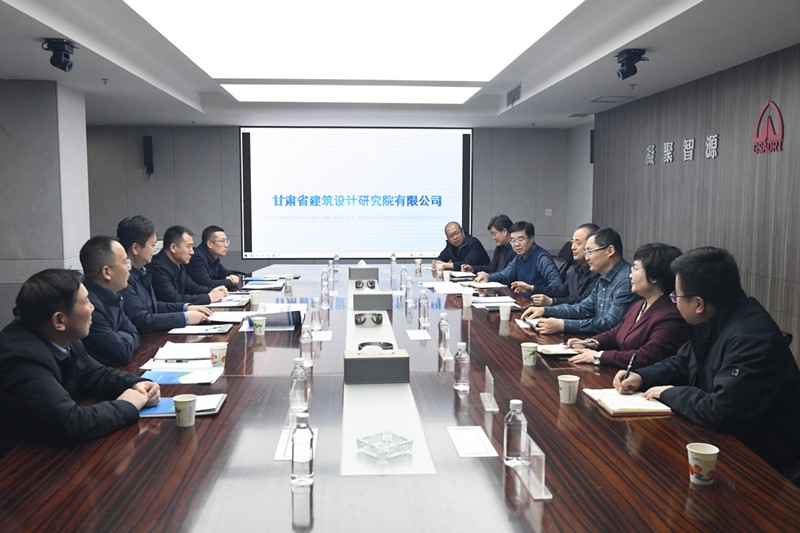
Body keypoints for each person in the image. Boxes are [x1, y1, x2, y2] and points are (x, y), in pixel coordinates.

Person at [614, 247, 800, 479]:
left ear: (698, 304)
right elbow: (681, 361)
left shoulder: (752, 338)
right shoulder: (715, 318)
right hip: (721, 441)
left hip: (762, 462)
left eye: (676, 297)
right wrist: (642, 376)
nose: (674, 302)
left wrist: (669, 393)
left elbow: (723, 410)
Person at [0, 269, 160, 446]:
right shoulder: (22, 360)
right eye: (86, 301)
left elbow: (94, 374)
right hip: (18, 456)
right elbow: (71, 422)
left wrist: (135, 383)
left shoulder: (62, 336)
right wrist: (127, 405)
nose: (93, 308)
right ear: (59, 320)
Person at [566, 243, 690, 368]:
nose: (630, 275)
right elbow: (616, 332)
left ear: (654, 277)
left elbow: (647, 356)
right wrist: (590, 343)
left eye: (635, 269)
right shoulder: (639, 304)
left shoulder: (670, 315)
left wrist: (599, 356)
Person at [521, 227, 638, 334]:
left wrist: (563, 325)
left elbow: (609, 324)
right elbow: (582, 308)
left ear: (610, 251)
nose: (587, 257)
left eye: (589, 252)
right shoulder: (604, 277)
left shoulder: (626, 280)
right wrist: (544, 310)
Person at [117, 216, 212, 333]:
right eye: (153, 245)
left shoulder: (142, 272)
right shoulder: (123, 278)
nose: (154, 250)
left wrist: (186, 307)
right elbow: (141, 320)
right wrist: (185, 317)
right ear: (135, 248)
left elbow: (153, 306)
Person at [79, 235, 140, 366]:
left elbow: (135, 332)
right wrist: (124, 336)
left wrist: (120, 336)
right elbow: (121, 353)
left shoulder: (113, 295)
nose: (129, 267)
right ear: (107, 272)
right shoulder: (89, 306)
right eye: (125, 262)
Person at [474, 221, 561, 296]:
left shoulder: (542, 258)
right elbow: (505, 276)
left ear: (531, 239)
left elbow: (557, 286)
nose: (516, 244)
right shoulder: (519, 257)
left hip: (538, 303)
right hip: (522, 300)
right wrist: (488, 277)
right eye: (512, 240)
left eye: (520, 239)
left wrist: (533, 289)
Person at [149, 225, 228, 305]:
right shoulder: (157, 268)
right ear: (173, 248)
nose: (192, 252)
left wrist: (215, 291)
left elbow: (193, 288)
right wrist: (209, 297)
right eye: (188, 247)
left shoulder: (178, 265)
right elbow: (173, 299)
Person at [530, 223, 600, 306]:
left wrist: (552, 301)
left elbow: (583, 303)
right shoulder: (577, 269)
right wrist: (532, 288)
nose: (573, 247)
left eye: (578, 243)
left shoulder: (598, 273)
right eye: (572, 242)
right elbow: (561, 290)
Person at [186, 225, 241, 290]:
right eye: (223, 241)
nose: (226, 245)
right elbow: (207, 284)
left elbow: (225, 273)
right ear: (210, 244)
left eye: (226, 241)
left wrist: (233, 276)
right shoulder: (196, 258)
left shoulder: (213, 258)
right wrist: (230, 282)